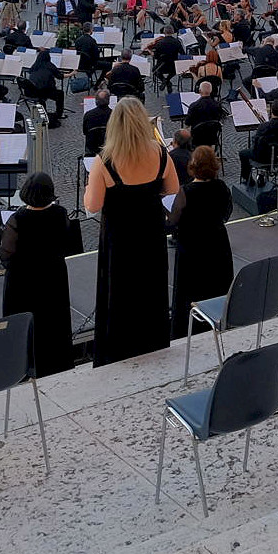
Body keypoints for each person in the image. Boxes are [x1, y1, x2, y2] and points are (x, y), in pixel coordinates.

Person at [84, 95, 178, 365]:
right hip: (150, 232)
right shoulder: (161, 153)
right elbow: (172, 189)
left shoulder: (105, 161)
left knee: (121, 294)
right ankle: (153, 343)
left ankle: (120, 351)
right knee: (152, 289)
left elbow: (92, 205)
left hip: (120, 238)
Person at [0, 171, 80, 377]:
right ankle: (55, 363)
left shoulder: (18, 219)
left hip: (23, 281)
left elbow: (6, 254)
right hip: (53, 277)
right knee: (53, 322)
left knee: (24, 326)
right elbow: (66, 243)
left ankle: (21, 365)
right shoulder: (60, 213)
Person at [169, 145, 235, 339]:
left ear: (193, 166)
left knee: (191, 293)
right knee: (218, 286)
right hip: (217, 245)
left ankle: (189, 329)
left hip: (192, 248)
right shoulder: (221, 187)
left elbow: (173, 222)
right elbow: (225, 213)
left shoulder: (186, 192)